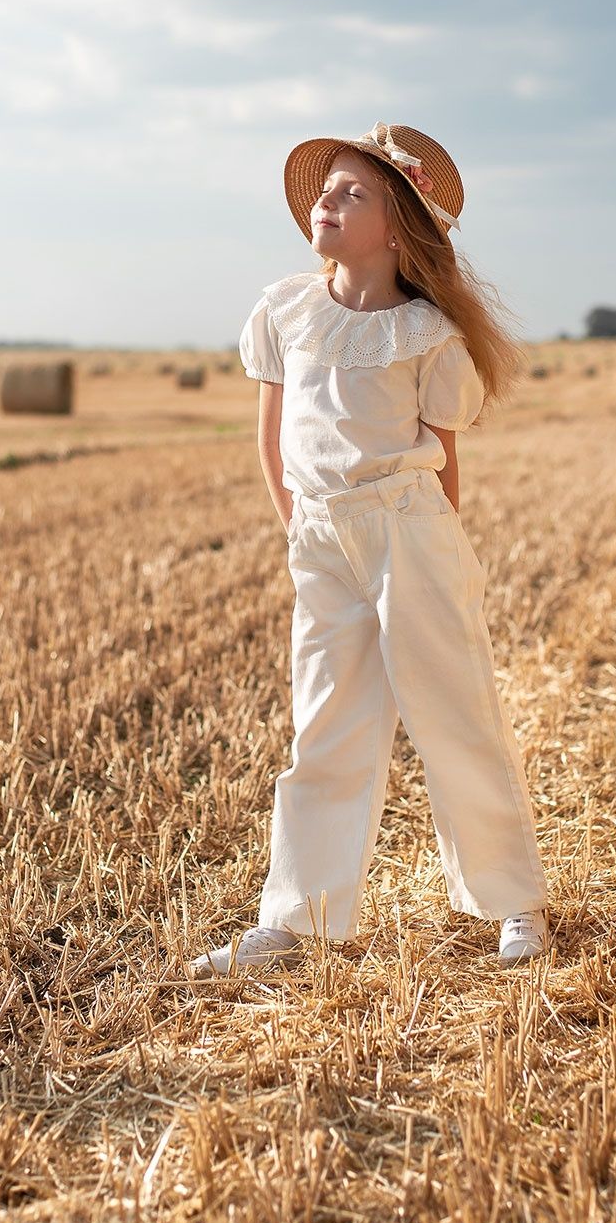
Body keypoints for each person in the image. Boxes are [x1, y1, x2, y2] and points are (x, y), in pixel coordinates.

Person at [189, 122, 551, 978]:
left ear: (397, 229)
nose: (328, 200)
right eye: (328, 187)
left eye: (355, 192)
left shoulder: (426, 335)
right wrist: (300, 532)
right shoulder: (284, 309)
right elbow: (272, 440)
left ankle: (513, 904)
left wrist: (438, 561)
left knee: (453, 712)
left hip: (408, 531)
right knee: (322, 727)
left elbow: (443, 458)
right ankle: (296, 919)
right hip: (321, 535)